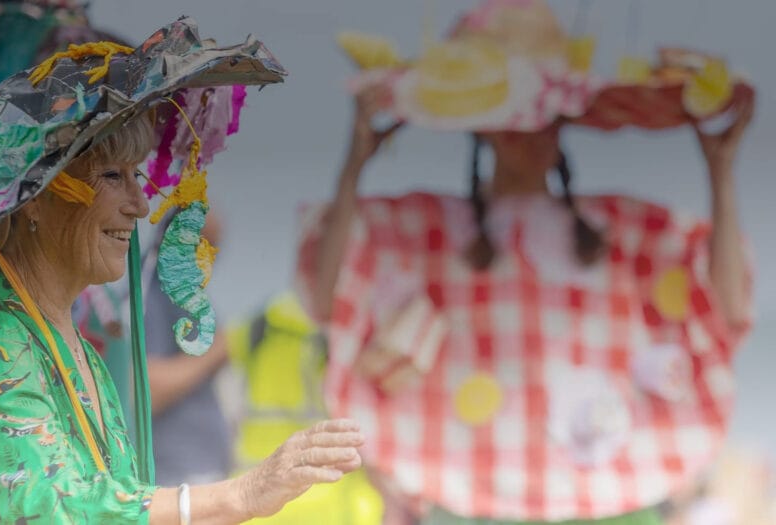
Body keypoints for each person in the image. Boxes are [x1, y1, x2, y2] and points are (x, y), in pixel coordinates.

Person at [298, 1, 754, 524]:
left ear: (563, 120)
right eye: (513, 119)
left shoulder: (620, 228)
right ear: (482, 127)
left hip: (605, 502)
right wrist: (354, 166)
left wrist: (720, 169)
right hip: (467, 498)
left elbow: (725, 310)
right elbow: (328, 296)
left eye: (543, 117)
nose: (532, 133)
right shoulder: (430, 230)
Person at [0, 18, 364, 524]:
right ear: (34, 199)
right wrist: (239, 496)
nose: (140, 206)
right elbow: (50, 505)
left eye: (137, 176)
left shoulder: (65, 341)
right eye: (112, 177)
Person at [226, 292, 384, 525]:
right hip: (337, 510)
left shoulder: (266, 322)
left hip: (260, 510)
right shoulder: (365, 329)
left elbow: (203, 358)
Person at [144, 210, 233, 486]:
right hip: (175, 477)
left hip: (201, 474)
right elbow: (148, 390)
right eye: (202, 245)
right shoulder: (149, 297)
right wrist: (219, 349)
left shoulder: (186, 299)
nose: (208, 261)